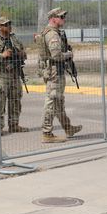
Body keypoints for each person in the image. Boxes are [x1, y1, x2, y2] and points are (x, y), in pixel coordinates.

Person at [36, 8, 82, 143]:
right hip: (54, 73)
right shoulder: (52, 35)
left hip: (56, 72)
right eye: (61, 17)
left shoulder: (54, 33)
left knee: (59, 103)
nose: (64, 19)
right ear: (53, 18)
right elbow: (56, 55)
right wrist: (69, 54)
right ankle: (46, 133)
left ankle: (68, 128)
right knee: (52, 102)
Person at [0, 16, 29, 135]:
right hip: (2, 76)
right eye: (6, 24)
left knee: (15, 101)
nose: (9, 26)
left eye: (9, 24)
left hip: (15, 75)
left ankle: (14, 125)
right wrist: (2, 55)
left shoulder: (14, 39)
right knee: (0, 103)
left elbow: (23, 52)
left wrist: (21, 54)